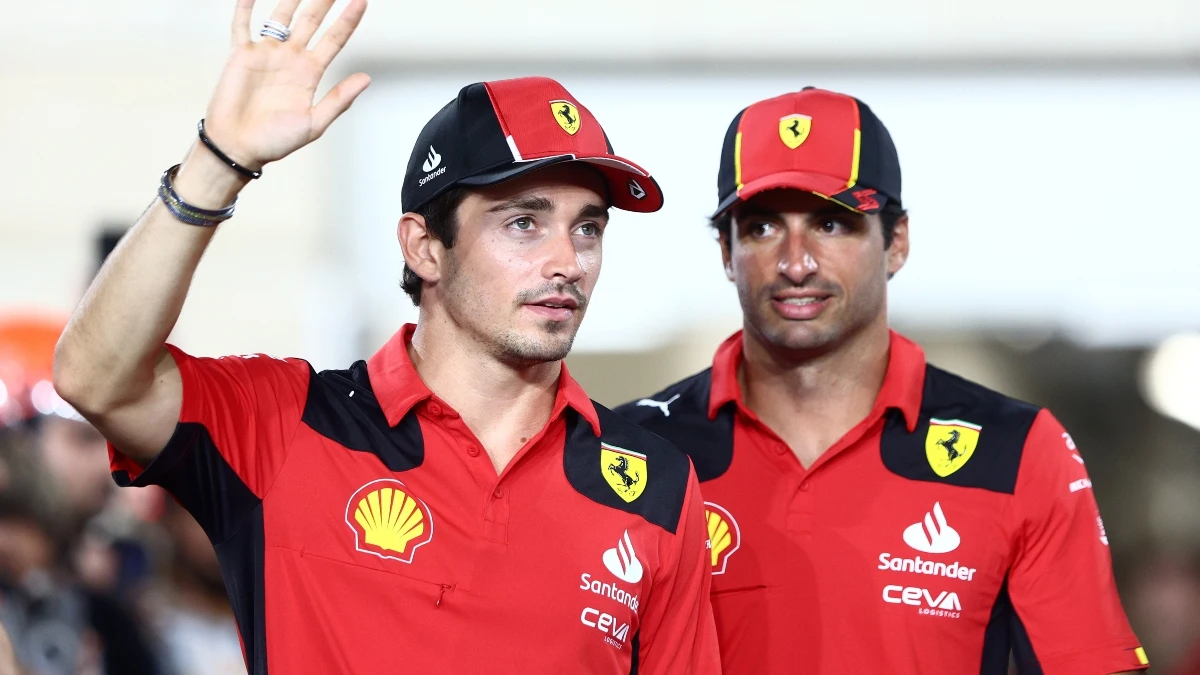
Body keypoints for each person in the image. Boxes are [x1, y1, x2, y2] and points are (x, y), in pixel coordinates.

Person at [53, 1, 718, 673]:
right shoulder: (285, 425)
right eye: (524, 223)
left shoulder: (654, 486)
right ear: (424, 248)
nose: (567, 260)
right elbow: (93, 375)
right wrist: (216, 163)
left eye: (588, 228)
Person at [617, 87, 1148, 675]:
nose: (797, 263)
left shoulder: (1019, 452)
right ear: (726, 250)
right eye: (763, 227)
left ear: (896, 243)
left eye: (831, 224)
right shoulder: (632, 453)